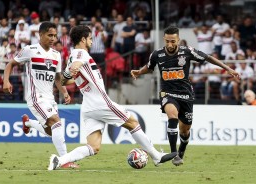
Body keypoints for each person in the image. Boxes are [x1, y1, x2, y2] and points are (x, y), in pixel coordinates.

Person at [47, 25, 177, 170]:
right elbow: (76, 65)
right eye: (90, 38)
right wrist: (73, 68)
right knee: (133, 122)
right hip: (100, 102)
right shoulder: (80, 54)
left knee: (93, 147)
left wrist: (70, 73)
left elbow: (64, 80)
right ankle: (156, 156)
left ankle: (59, 160)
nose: (91, 41)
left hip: (88, 107)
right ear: (83, 39)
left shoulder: (72, 55)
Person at [130, 26, 240, 166]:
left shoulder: (187, 51)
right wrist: (139, 72)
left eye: (173, 41)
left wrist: (228, 68)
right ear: (164, 39)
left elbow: (208, 57)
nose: (170, 44)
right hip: (168, 93)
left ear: (178, 40)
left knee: (185, 130)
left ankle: (181, 151)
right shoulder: (157, 54)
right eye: (167, 41)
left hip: (186, 95)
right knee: (172, 115)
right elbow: (149, 67)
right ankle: (173, 153)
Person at [3, 22, 78, 169]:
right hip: (35, 97)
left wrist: (64, 92)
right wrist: (6, 81)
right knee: (56, 122)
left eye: (55, 35)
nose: (53, 38)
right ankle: (65, 161)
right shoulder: (30, 50)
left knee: (51, 131)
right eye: (50, 35)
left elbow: (57, 78)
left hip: (50, 98)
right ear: (41, 34)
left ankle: (28, 123)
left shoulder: (57, 55)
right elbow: (10, 64)